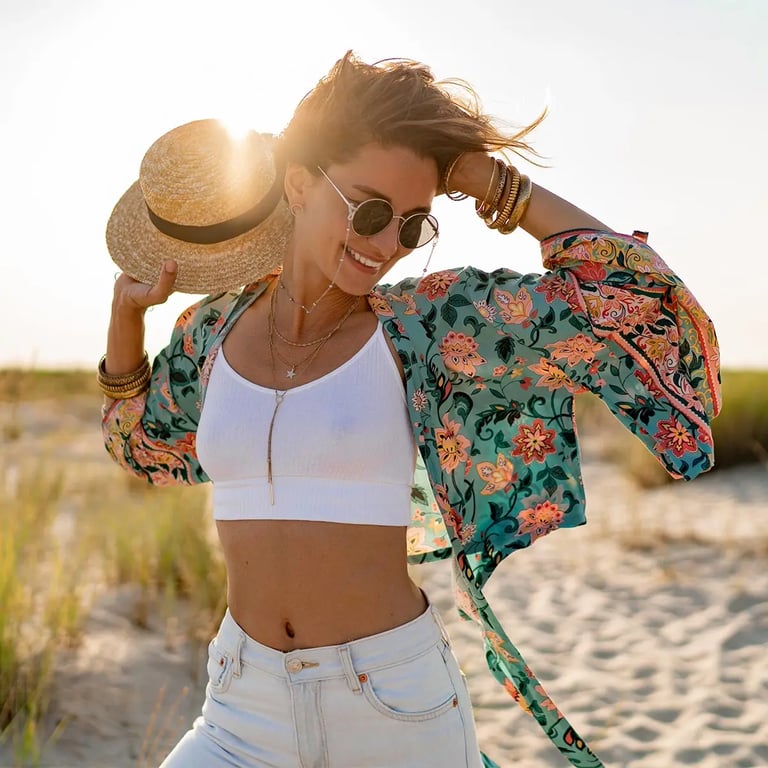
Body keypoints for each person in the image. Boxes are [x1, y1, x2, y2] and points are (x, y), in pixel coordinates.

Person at [101, 52, 720, 768]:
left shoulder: (432, 325)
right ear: (299, 185)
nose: (384, 244)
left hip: (390, 707)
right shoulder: (211, 331)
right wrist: (126, 322)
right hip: (242, 703)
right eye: (367, 209)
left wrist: (490, 181)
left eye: (413, 225)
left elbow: (637, 304)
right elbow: (140, 448)